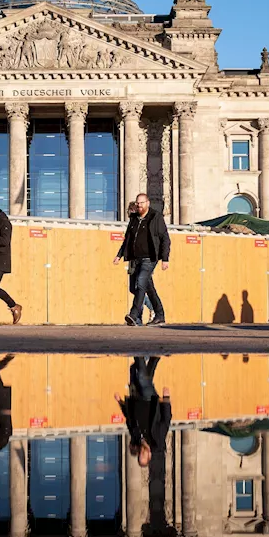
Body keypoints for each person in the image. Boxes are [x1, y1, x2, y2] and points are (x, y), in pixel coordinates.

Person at [114, 193, 170, 326]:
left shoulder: (155, 217)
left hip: (150, 258)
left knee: (140, 283)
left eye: (142, 203)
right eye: (138, 203)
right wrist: (119, 255)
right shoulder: (134, 219)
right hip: (135, 258)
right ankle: (159, 314)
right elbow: (127, 239)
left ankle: (134, 314)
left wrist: (165, 258)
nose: (139, 205)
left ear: (148, 203)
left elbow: (165, 238)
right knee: (143, 287)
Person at [115, 356, 171, 468]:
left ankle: (155, 356)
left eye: (140, 455)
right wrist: (166, 399)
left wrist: (120, 402)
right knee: (142, 378)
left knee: (135, 371)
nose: (142, 452)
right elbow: (166, 419)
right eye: (144, 455)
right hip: (149, 399)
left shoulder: (136, 438)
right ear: (149, 455)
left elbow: (129, 418)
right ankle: (138, 352)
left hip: (136, 399)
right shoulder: (157, 439)